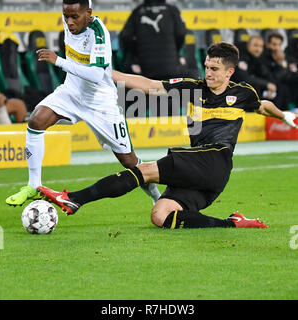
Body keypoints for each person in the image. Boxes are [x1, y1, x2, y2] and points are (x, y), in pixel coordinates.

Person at [39, 42, 298, 229]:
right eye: (207, 67)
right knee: (161, 215)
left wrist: (286, 117)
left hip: (216, 160)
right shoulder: (193, 87)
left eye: (215, 69)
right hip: (201, 172)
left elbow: (264, 106)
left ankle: (74, 199)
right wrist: (106, 73)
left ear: (229, 72)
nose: (208, 73)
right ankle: (232, 223)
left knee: (145, 170)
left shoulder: (243, 93)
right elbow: (149, 85)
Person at [5, 0, 160, 207]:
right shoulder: (71, 17)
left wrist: (58, 61)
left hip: (100, 102)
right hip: (71, 92)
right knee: (36, 121)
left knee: (129, 161)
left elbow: (97, 76)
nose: (69, 22)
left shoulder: (99, 35)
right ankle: (34, 185)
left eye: (74, 17)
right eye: (65, 16)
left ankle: (157, 198)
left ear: (88, 13)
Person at [119, 0, 198, 80]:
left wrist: (137, 51)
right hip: (170, 66)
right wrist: (174, 50)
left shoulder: (138, 11)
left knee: (151, 92)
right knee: (170, 92)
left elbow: (125, 36)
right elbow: (181, 33)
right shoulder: (172, 10)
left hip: (146, 66)